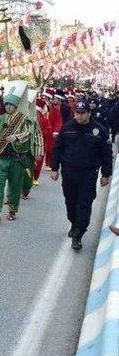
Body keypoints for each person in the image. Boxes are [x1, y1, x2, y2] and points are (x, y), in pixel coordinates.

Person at [51, 99, 113, 250]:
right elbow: (57, 149)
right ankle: (73, 223)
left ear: (89, 113)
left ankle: (79, 234)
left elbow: (106, 153)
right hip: (69, 172)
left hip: (88, 174)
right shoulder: (67, 128)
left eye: (82, 113)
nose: (78, 116)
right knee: (70, 202)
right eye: (77, 113)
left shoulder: (99, 130)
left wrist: (106, 174)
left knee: (84, 205)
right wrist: (55, 168)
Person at [0, 86, 32, 224]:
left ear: (16, 106)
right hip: (1, 158)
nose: (8, 107)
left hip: (16, 159)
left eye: (11, 105)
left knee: (14, 186)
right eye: (6, 104)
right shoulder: (0, 119)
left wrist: (17, 137)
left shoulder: (24, 119)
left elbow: (29, 133)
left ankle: (13, 210)